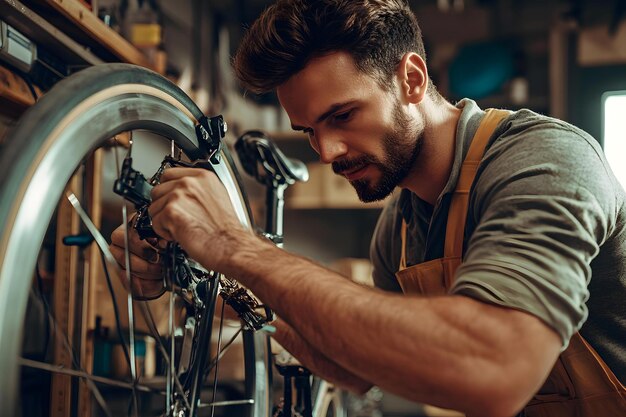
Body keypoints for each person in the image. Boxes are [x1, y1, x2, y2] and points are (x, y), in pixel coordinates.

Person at [111, 1, 626, 416]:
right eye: (310, 131)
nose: (328, 152)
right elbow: (359, 367)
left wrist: (235, 243)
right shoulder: (399, 229)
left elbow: (495, 371)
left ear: (412, 79)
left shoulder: (542, 161)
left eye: (343, 115)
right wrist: (214, 280)